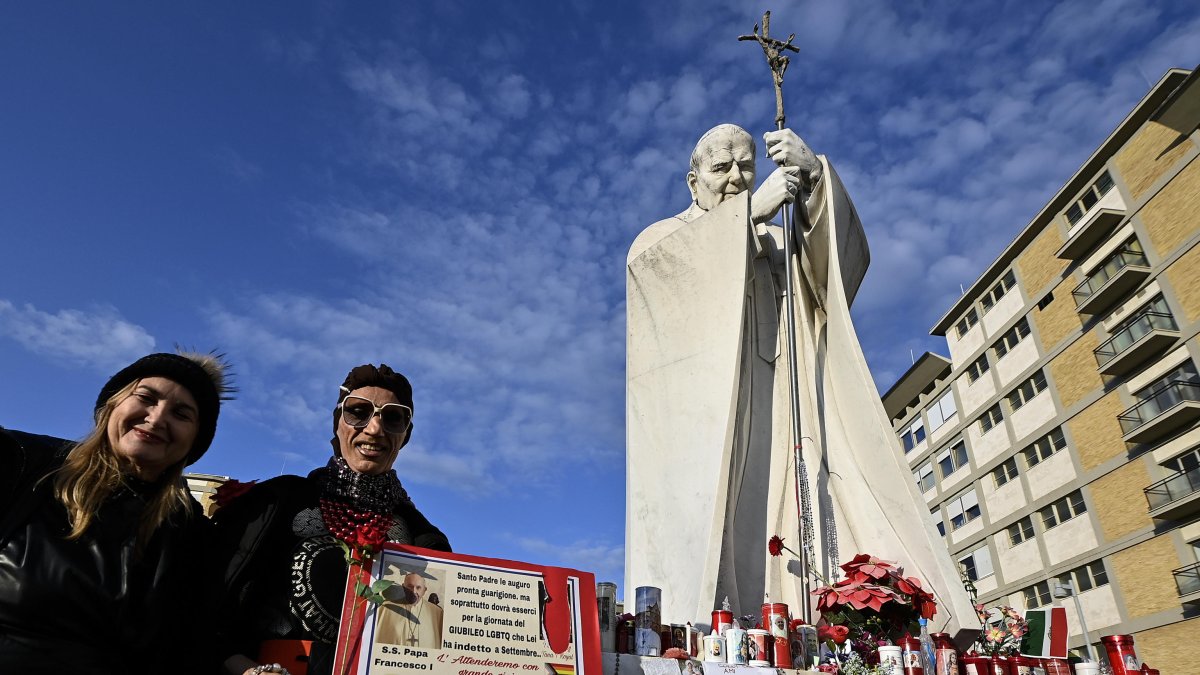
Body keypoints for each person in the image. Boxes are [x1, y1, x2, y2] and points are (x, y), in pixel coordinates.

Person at [625, 124, 974, 634]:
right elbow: (654, 276)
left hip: (784, 405)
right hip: (710, 414)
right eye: (721, 168)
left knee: (790, 515)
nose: (736, 178)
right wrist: (749, 217)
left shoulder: (779, 241)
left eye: (746, 166)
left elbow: (836, 272)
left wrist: (813, 179)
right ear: (692, 180)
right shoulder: (663, 239)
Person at [0, 351, 232, 674]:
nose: (157, 418)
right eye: (146, 398)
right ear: (112, 404)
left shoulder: (191, 534)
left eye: (181, 414)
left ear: (195, 440)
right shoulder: (25, 463)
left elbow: (195, 648)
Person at [213, 363, 451, 675]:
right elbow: (204, 608)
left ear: (405, 434)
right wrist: (245, 669)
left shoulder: (425, 540)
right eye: (358, 412)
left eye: (393, 417)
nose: (374, 429)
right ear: (338, 421)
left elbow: (435, 648)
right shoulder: (276, 502)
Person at [375, 571, 444, 648]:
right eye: (410, 586)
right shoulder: (385, 608)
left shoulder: (437, 613)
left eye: (418, 587)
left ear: (424, 590)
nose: (413, 591)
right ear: (403, 587)